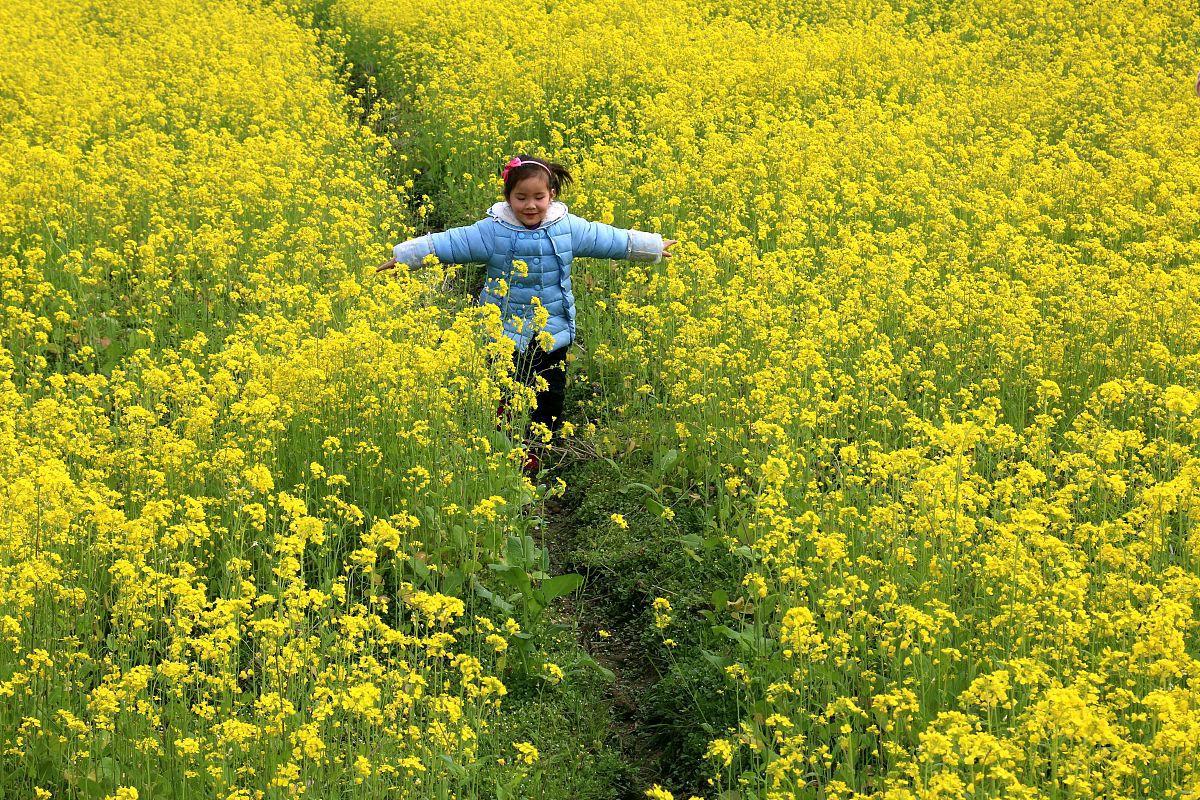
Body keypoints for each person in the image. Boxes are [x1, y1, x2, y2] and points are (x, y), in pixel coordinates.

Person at [377, 154, 677, 477]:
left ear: (551, 196)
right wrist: (405, 256)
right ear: (507, 198)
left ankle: (535, 457)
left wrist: (653, 247)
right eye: (521, 198)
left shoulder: (566, 228)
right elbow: (451, 242)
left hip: (554, 334)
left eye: (538, 197)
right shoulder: (494, 231)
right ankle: (506, 458)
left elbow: (606, 239)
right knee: (506, 398)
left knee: (550, 401)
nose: (530, 205)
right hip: (505, 336)